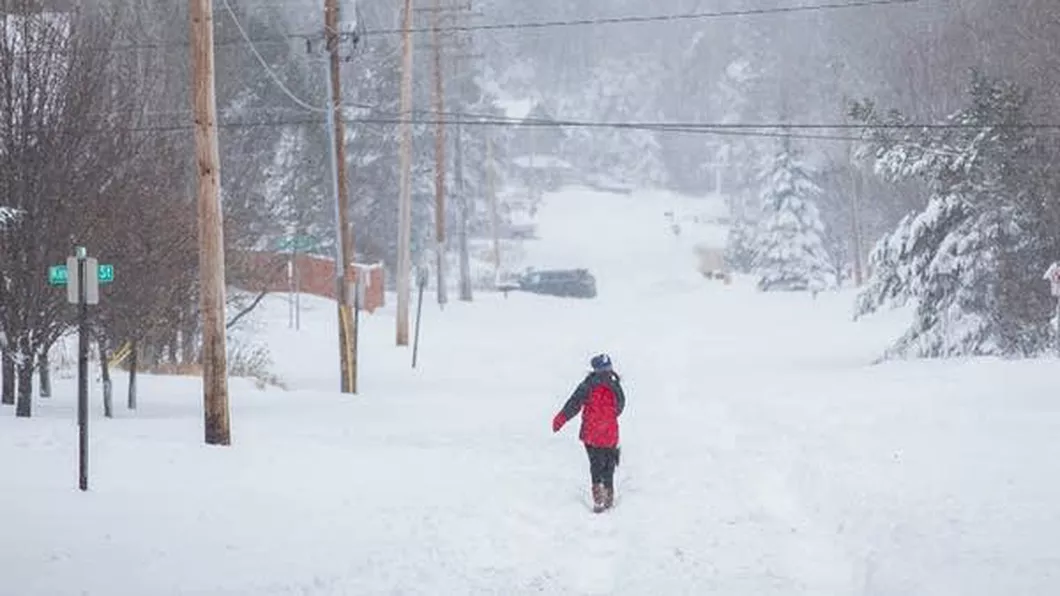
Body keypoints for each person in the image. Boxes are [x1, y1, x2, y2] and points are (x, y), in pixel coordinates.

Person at [552, 353, 626, 512]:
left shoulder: (587, 385)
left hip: (591, 433)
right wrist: (608, 418)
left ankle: (598, 494)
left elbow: (573, 404)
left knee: (595, 463)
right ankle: (609, 491)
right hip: (610, 433)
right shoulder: (615, 385)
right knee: (609, 463)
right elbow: (620, 406)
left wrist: (560, 420)